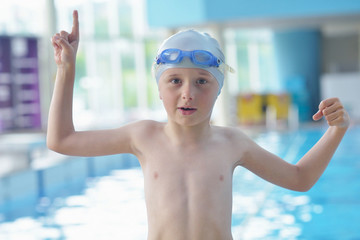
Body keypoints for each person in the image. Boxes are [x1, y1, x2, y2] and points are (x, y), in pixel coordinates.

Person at [47, 10, 350, 240]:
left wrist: (336, 130)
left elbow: (299, 179)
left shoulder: (233, 143)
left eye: (202, 81)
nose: (188, 93)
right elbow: (61, 140)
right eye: (175, 81)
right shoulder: (143, 136)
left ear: (219, 89)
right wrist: (66, 69)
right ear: (159, 86)